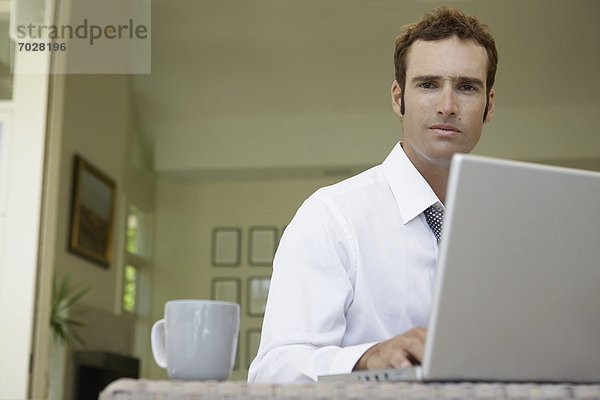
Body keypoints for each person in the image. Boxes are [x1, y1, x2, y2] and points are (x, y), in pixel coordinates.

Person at [248, 5, 497, 383]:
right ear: (398, 98)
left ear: (488, 106)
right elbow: (271, 373)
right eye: (428, 84)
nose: (447, 106)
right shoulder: (330, 217)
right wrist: (365, 359)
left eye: (466, 87)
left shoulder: (510, 225)